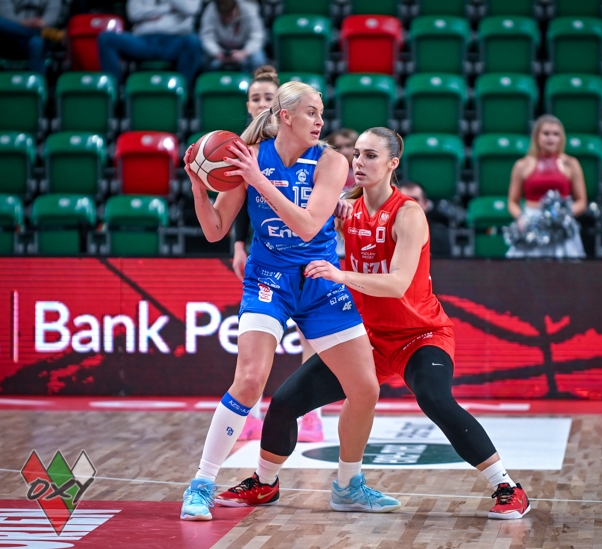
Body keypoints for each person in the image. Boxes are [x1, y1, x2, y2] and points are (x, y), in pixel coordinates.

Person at [215, 127, 531, 520]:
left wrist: (341, 275)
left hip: (420, 334)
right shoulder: (344, 208)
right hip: (368, 339)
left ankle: (507, 486)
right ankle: (265, 482)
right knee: (283, 403)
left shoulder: (408, 213)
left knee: (434, 398)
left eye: (370, 156)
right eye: (357, 155)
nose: (359, 163)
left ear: (393, 163)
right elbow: (298, 220)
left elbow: (398, 284)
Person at [180, 82, 399, 520]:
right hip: (268, 279)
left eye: (321, 113)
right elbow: (215, 230)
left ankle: (348, 485)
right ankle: (201, 482)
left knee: (366, 388)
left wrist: (257, 180)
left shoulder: (331, 161)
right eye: (311, 112)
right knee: (249, 380)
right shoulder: (249, 156)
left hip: (319, 280)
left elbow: (307, 225)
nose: (320, 121)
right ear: (286, 116)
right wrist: (199, 187)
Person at [230, 66, 324, 444]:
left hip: (308, 249)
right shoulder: (247, 150)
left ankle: (313, 414)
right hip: (267, 251)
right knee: (254, 345)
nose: (261, 104)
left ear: (282, 109)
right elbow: (240, 203)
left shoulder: (308, 148)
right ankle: (249, 414)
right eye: (255, 98)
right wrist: (238, 244)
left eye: (268, 98)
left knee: (310, 333)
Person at [507, 115, 587, 258]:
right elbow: (512, 201)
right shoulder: (522, 165)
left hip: (561, 225)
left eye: (556, 134)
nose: (551, 138)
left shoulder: (571, 164)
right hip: (531, 223)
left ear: (561, 138)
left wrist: (563, 215)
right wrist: (522, 218)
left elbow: (581, 201)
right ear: (537, 136)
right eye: (546, 133)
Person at [97, 0, 203, 88]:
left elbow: (191, 9)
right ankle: (114, 92)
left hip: (174, 41)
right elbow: (133, 13)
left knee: (193, 42)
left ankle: (182, 90)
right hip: (143, 41)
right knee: (106, 39)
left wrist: (149, 13)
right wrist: (168, 8)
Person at [200, 0, 265, 74]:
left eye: (229, 15)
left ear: (236, 7)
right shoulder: (210, 10)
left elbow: (257, 37)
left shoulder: (249, 10)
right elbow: (206, 37)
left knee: (258, 59)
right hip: (221, 49)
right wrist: (217, 53)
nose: (227, 19)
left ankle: (253, 80)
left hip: (244, 48)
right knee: (203, 59)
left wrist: (244, 52)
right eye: (224, 16)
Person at [0, 0, 62, 73]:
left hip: (37, 34)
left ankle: (37, 79)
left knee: (36, 42)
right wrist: (23, 23)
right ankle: (37, 32)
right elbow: (5, 14)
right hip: (10, 36)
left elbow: (53, 12)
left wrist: (42, 22)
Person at [397, 180, 452, 258]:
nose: (409, 205)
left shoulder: (439, 235)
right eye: (404, 200)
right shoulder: (383, 232)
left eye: (415, 200)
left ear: (426, 204)